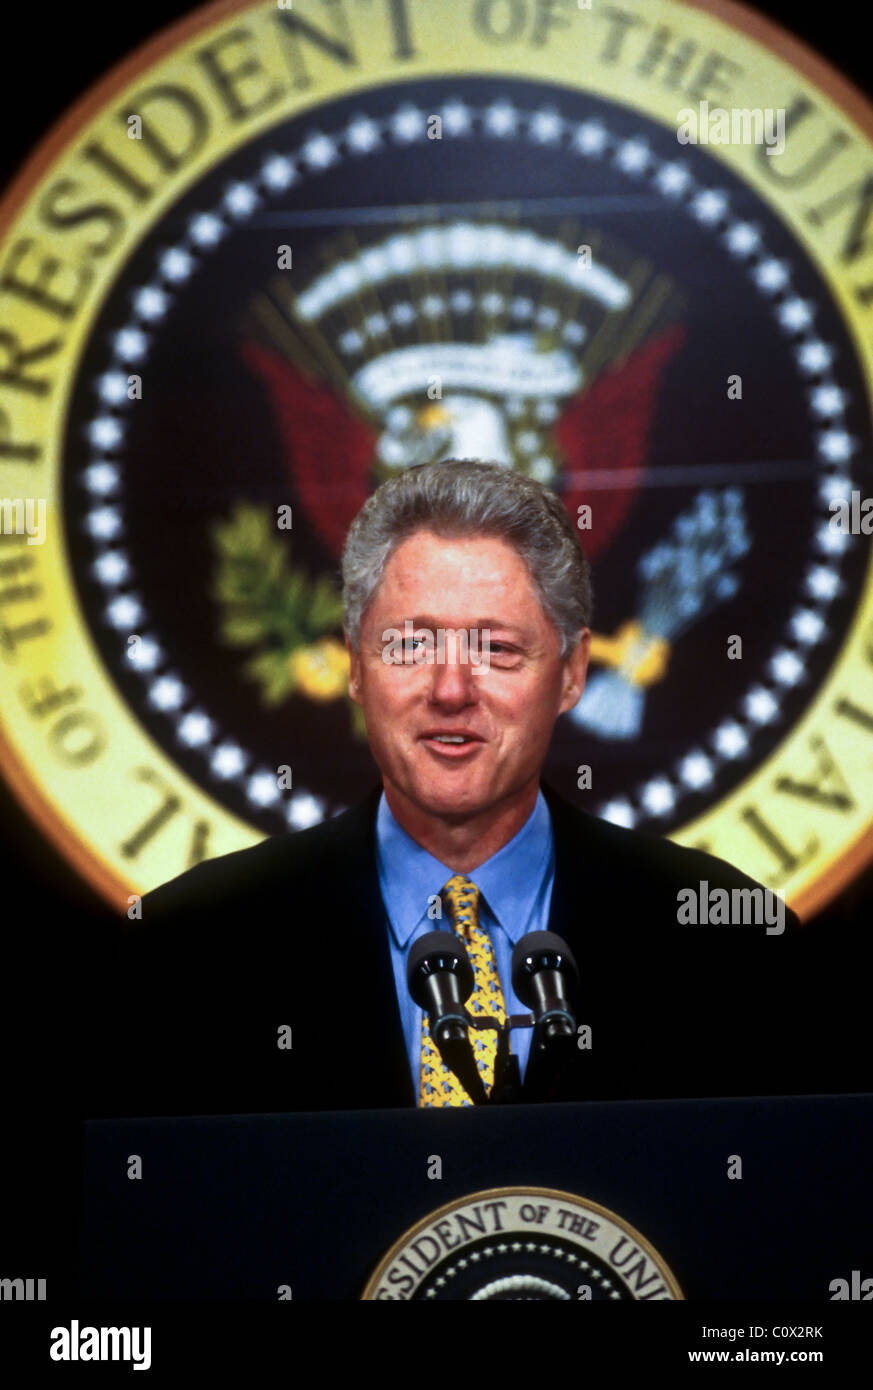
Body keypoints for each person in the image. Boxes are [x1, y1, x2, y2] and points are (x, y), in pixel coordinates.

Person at [101, 459, 820, 1119]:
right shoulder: (185, 953)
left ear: (571, 674)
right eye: (410, 644)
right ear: (355, 669)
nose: (451, 690)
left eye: (498, 649)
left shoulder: (733, 950)